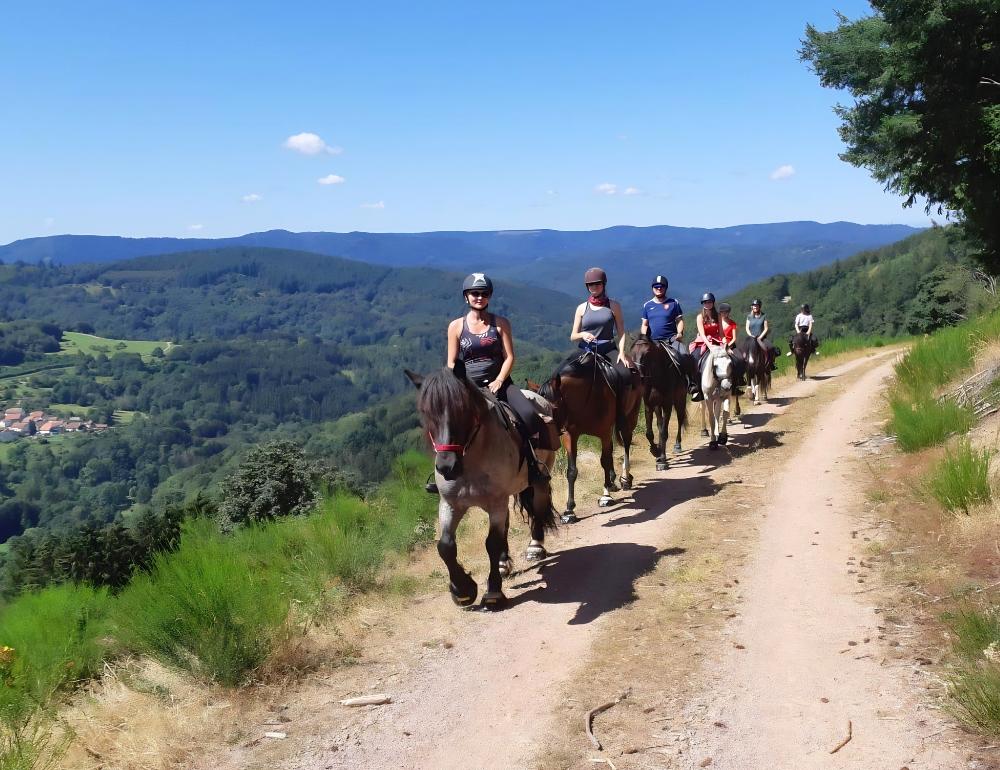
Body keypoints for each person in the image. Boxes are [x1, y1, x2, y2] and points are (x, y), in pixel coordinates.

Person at [445, 273, 554, 485]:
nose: (479, 297)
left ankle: (533, 466)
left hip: (501, 384)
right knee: (445, 421)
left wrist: (499, 380)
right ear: (466, 296)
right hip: (468, 385)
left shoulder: (501, 323)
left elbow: (509, 356)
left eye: (484, 294)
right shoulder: (456, 327)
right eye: (474, 293)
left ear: (489, 296)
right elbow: (451, 361)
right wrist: (463, 381)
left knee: (529, 416)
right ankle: (445, 474)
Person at [639, 275, 703, 401]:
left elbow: (679, 321)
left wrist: (679, 333)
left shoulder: (674, 303)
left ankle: (691, 384)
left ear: (666, 288)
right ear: (653, 289)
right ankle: (641, 388)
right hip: (654, 341)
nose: (659, 289)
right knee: (640, 360)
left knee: (685, 355)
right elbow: (644, 324)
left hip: (671, 339)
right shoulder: (647, 306)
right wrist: (644, 339)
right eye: (656, 287)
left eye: (661, 287)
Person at [718, 302, 746, 395]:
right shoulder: (717, 323)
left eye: (725, 312)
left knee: (741, 359)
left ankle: (739, 381)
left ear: (728, 312)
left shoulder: (732, 323)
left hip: (731, 346)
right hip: (719, 346)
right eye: (722, 312)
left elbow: (734, 338)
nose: (724, 313)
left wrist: (728, 346)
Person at [746, 299, 778, 371]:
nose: (755, 307)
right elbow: (747, 328)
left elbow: (766, 328)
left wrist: (760, 337)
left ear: (759, 306)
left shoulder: (764, 316)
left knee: (770, 347)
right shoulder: (749, 317)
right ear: (752, 307)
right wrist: (751, 335)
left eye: (756, 306)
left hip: (762, 338)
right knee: (743, 350)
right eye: (754, 306)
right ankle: (744, 366)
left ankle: (771, 363)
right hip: (751, 338)